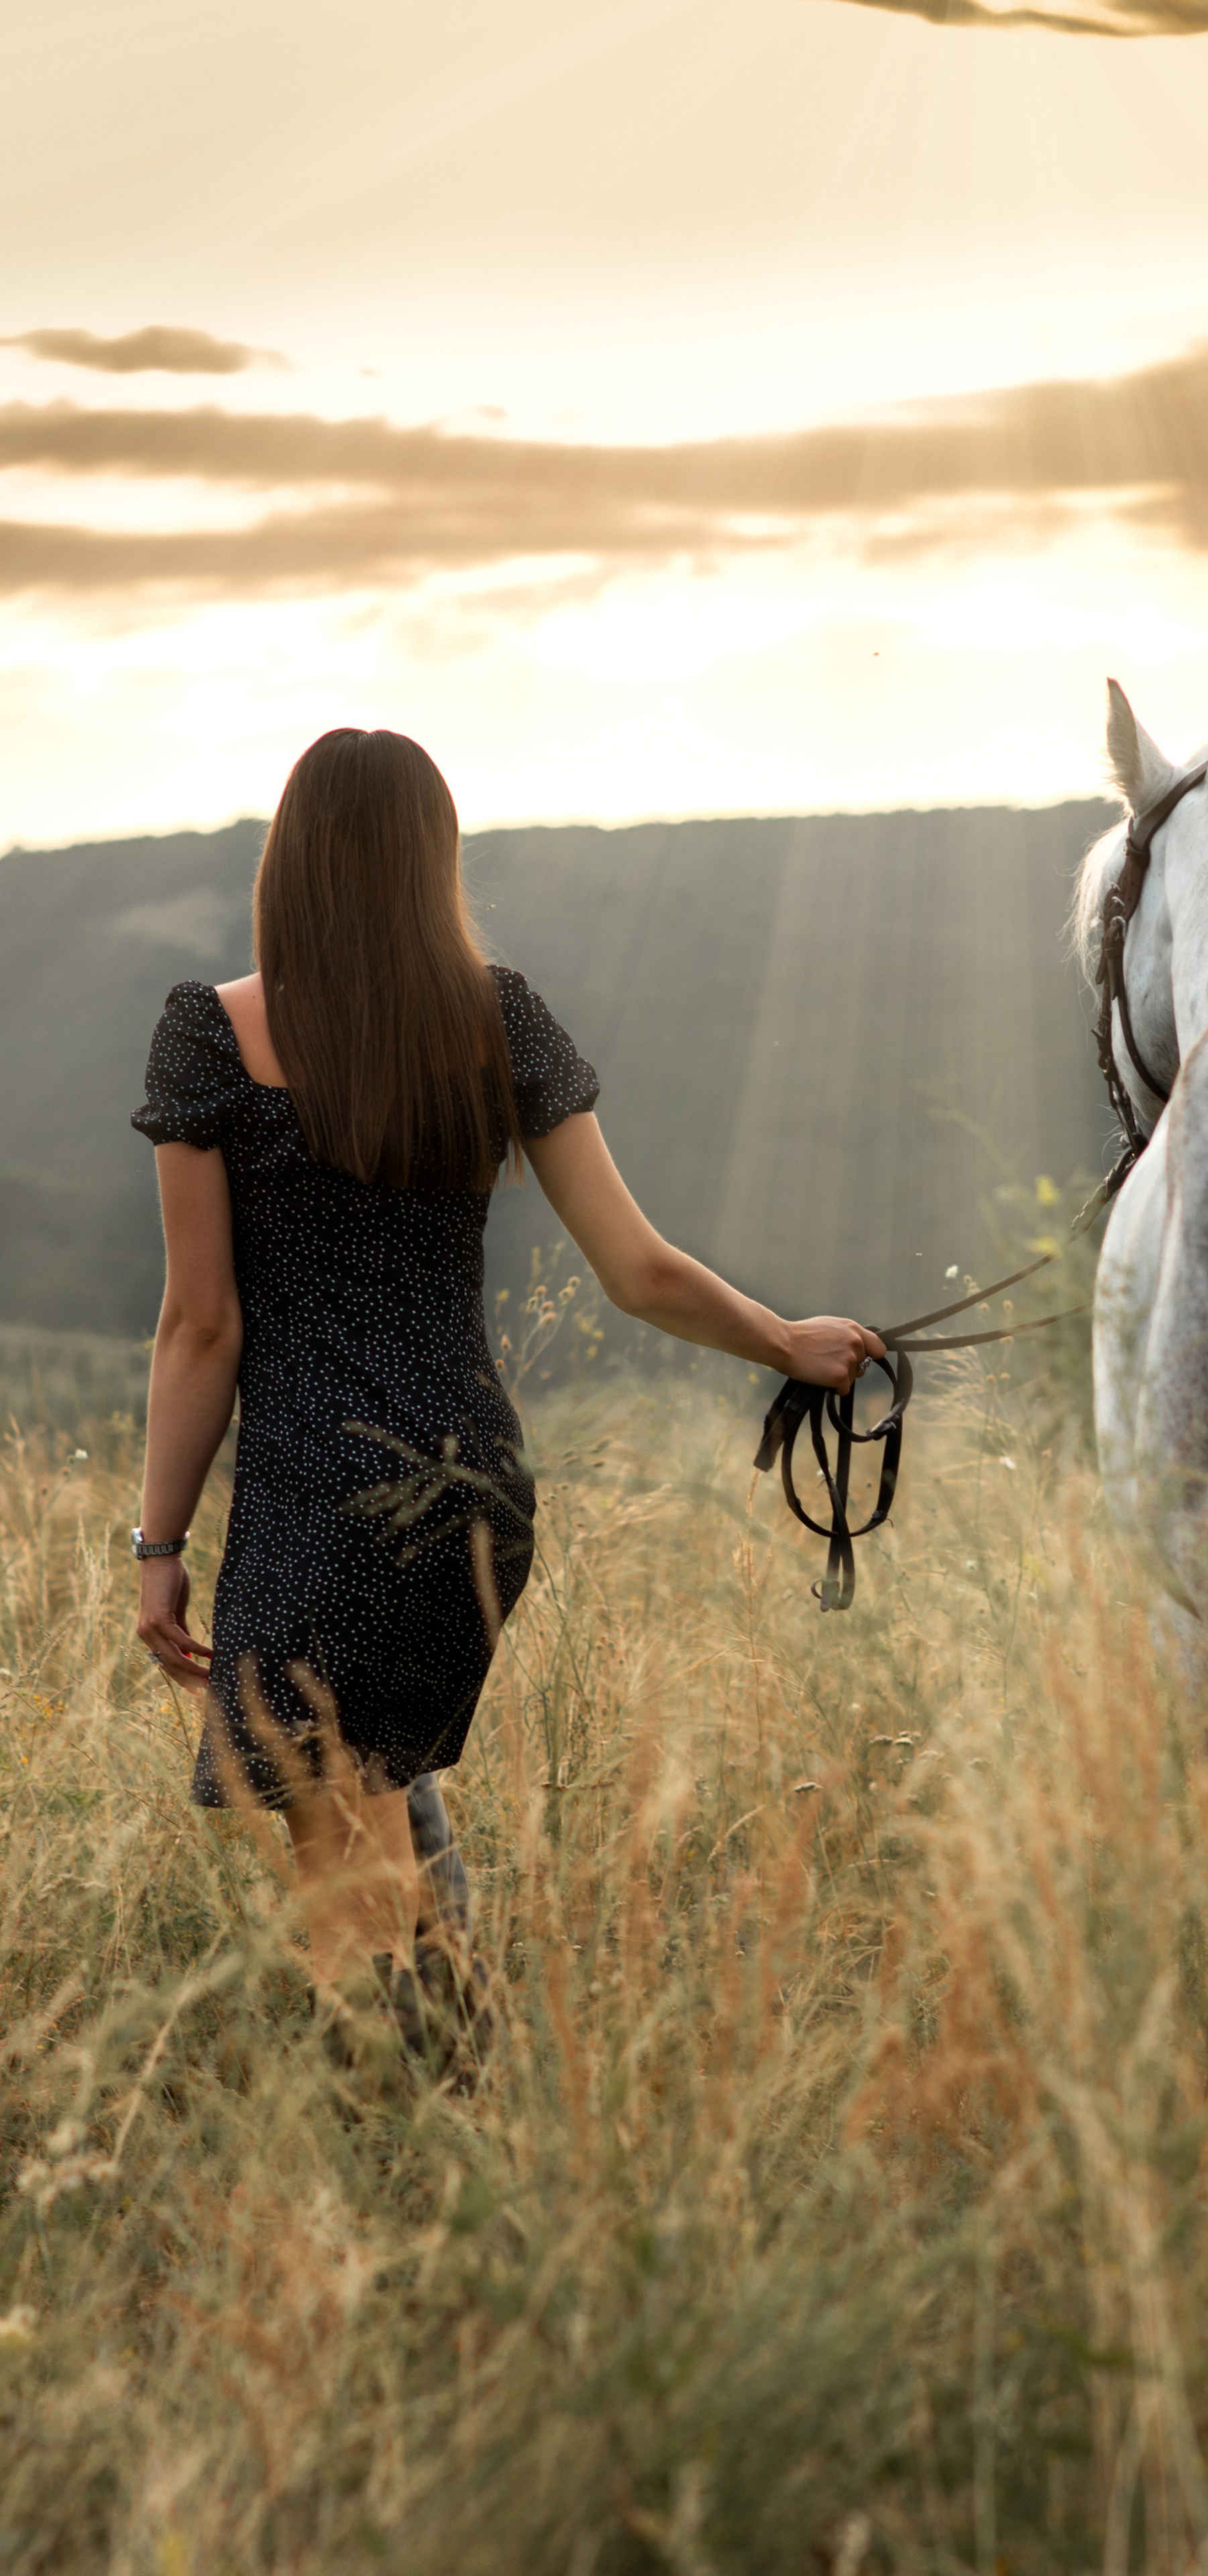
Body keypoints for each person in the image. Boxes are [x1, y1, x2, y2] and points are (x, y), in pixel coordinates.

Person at [132, 727, 883, 2061]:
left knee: (339, 1872)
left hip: (317, 1494)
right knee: (382, 1799)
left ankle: (409, 2148)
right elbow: (639, 1270)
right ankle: (466, 2101)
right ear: (435, 859)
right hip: (473, 1485)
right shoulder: (499, 1018)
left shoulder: (211, 1034)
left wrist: (158, 1548)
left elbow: (201, 1325)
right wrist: (787, 1344)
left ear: (289, 857)